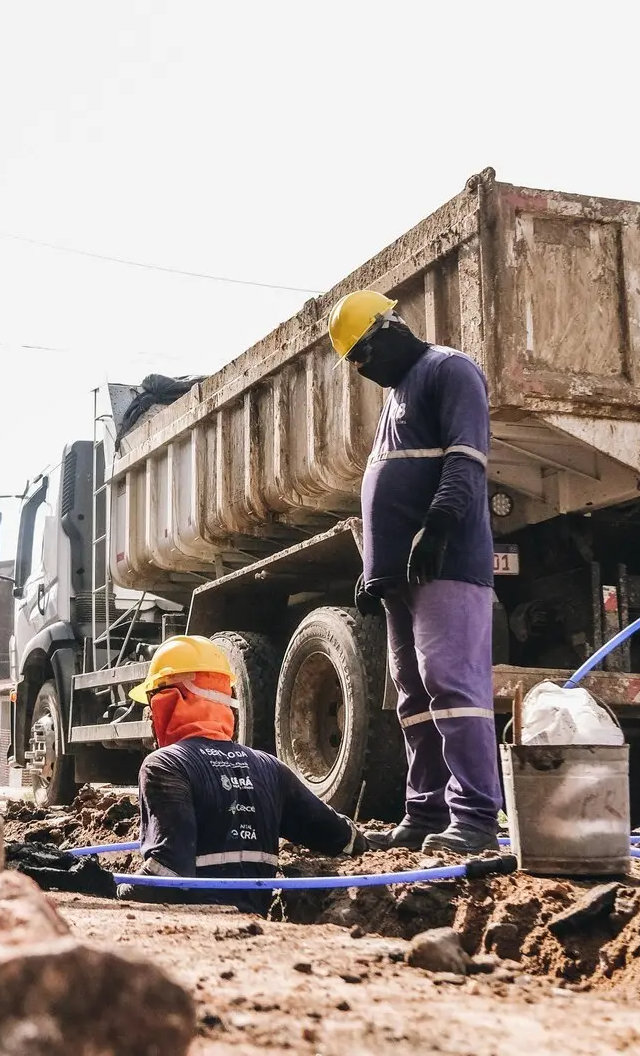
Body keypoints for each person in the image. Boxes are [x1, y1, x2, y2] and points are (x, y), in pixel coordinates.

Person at [328, 289, 501, 855]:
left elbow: (465, 460)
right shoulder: (398, 393)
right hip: (401, 574)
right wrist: (375, 566)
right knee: (412, 694)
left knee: (451, 682)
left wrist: (439, 527)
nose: (361, 369)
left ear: (390, 330)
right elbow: (392, 477)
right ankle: (425, 812)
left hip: (445, 563)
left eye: (362, 353)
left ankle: (475, 816)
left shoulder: (448, 370)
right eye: (354, 361)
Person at [118, 636, 364, 913]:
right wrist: (369, 838)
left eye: (152, 702)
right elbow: (336, 835)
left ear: (170, 700)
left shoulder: (165, 765)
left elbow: (167, 875)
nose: (150, 716)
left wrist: (107, 886)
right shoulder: (269, 767)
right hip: (254, 925)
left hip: (194, 929)